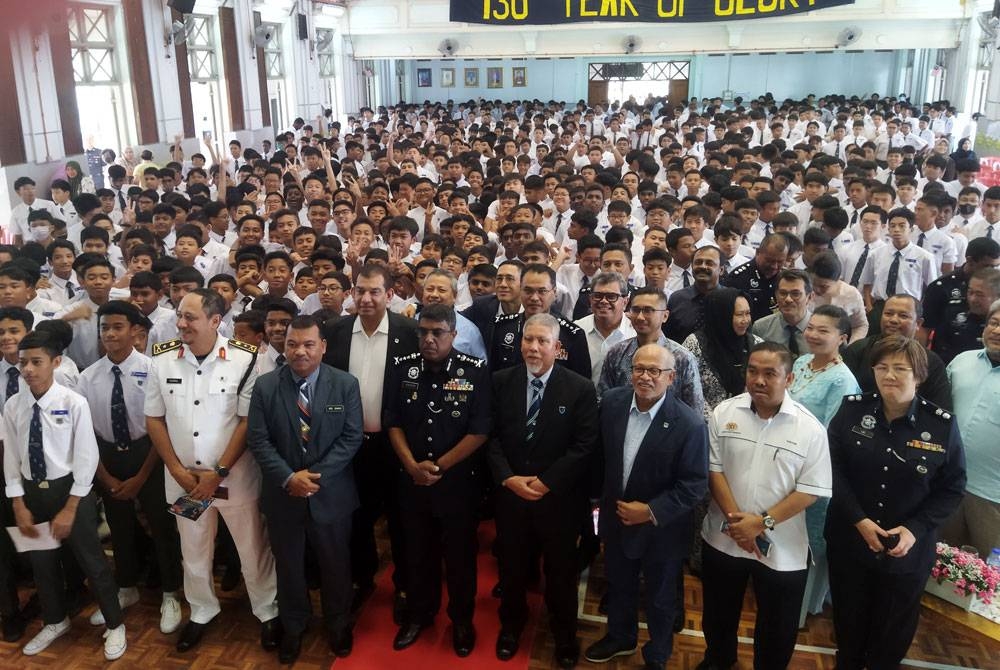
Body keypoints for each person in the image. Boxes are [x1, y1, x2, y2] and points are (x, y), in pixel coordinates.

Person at [144, 289, 280, 653]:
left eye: (190, 317)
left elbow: (247, 421)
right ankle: (202, 609)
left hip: (232, 478)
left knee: (252, 546)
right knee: (194, 550)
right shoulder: (162, 359)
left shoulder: (246, 359)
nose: (181, 323)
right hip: (184, 480)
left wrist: (217, 473)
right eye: (180, 316)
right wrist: (176, 469)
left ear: (216, 320)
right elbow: (154, 419)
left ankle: (267, 610)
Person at [825, 335, 966, 670]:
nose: (889, 374)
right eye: (882, 367)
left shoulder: (941, 425)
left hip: (908, 550)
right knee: (848, 624)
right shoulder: (852, 410)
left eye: (900, 368)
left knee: (892, 634)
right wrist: (859, 519)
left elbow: (953, 487)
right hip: (851, 541)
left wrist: (915, 529)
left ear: (918, 375)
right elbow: (831, 469)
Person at [698, 342, 831, 670]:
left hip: (782, 548)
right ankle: (718, 660)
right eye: (752, 371)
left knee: (778, 626)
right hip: (724, 537)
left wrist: (761, 523)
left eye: (770, 373)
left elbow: (810, 490)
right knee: (717, 613)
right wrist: (738, 524)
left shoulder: (809, 429)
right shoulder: (724, 413)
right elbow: (714, 469)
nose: (758, 380)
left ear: (788, 379)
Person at [3, 331, 126, 660]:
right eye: (23, 363)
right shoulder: (14, 405)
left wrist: (71, 507)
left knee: (93, 562)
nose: (28, 369)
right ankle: (55, 620)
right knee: (42, 564)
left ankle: (115, 624)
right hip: (32, 494)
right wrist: (18, 502)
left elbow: (86, 457)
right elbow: (12, 457)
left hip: (71, 492)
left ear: (56, 363)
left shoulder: (73, 403)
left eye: (36, 362)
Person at [585, 344, 708, 670]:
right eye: (639, 369)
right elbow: (601, 458)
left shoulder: (689, 424)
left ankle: (657, 655)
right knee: (620, 584)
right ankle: (620, 637)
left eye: (654, 371)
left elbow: (695, 485)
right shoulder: (612, 404)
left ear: (671, 377)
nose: (645, 376)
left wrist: (651, 511)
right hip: (616, 519)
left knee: (660, 598)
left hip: (661, 530)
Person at [246, 314, 362, 664]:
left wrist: (312, 477)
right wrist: (288, 478)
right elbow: (258, 440)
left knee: (336, 564)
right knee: (289, 566)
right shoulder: (265, 386)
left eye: (309, 344)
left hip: (331, 494)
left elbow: (351, 436)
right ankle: (294, 627)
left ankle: (338, 624)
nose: (300, 351)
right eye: (292, 344)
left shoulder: (345, 384)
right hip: (284, 496)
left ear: (323, 347)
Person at [489, 313, 598, 669]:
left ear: (558, 347)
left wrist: (547, 482)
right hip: (512, 498)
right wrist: (508, 478)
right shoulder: (500, 382)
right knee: (513, 569)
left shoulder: (580, 388)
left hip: (560, 502)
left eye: (542, 341)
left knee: (561, 574)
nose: (533, 348)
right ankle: (511, 626)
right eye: (528, 340)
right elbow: (489, 438)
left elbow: (584, 446)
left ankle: (564, 634)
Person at [384, 304, 491, 657]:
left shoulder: (473, 370)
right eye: (423, 332)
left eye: (437, 333)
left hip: (457, 484)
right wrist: (413, 466)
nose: (429, 340)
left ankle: (461, 620)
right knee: (417, 553)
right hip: (412, 482)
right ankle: (419, 615)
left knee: (460, 557)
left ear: (453, 335)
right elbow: (393, 420)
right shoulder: (402, 368)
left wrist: (439, 467)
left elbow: (480, 430)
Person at [321, 265, 419, 621]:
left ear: (390, 294)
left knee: (401, 519)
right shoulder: (335, 330)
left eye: (374, 291)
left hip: (395, 445)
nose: (365, 298)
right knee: (357, 519)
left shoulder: (409, 332)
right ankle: (363, 579)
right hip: (349, 446)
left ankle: (406, 587)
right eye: (359, 290)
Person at [78, 301, 183, 633]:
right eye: (104, 327)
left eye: (117, 327)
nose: (110, 333)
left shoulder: (153, 369)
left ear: (134, 331)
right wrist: (106, 477)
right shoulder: (88, 377)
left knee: (161, 526)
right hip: (108, 456)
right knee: (119, 527)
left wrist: (141, 476)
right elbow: (86, 435)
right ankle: (126, 587)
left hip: (149, 453)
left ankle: (170, 593)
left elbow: (161, 426)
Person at [787, 305, 861, 626]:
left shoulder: (842, 381)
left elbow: (832, 435)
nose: (813, 335)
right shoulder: (802, 362)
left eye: (824, 331)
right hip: (785, 461)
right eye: (811, 328)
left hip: (815, 470)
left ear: (842, 338)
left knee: (810, 539)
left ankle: (802, 607)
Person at [942, 300, 1000, 557]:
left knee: (989, 581)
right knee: (937, 568)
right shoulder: (961, 361)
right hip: (946, 485)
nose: (997, 331)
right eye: (994, 323)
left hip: (993, 498)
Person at [843, 294, 953, 409]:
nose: (894, 320)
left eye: (903, 316)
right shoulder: (858, 350)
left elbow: (940, 408)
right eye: (888, 314)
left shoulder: (931, 362)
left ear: (918, 323)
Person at [681, 287, 760, 411]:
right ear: (722, 315)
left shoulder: (756, 344)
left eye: (748, 313)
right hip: (708, 423)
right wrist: (716, 423)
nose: (746, 320)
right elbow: (689, 392)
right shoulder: (695, 344)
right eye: (739, 314)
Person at [751, 269, 812, 356]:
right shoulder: (761, 328)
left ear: (809, 297)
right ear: (776, 295)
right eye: (783, 293)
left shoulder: (821, 329)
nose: (788, 299)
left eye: (795, 294)